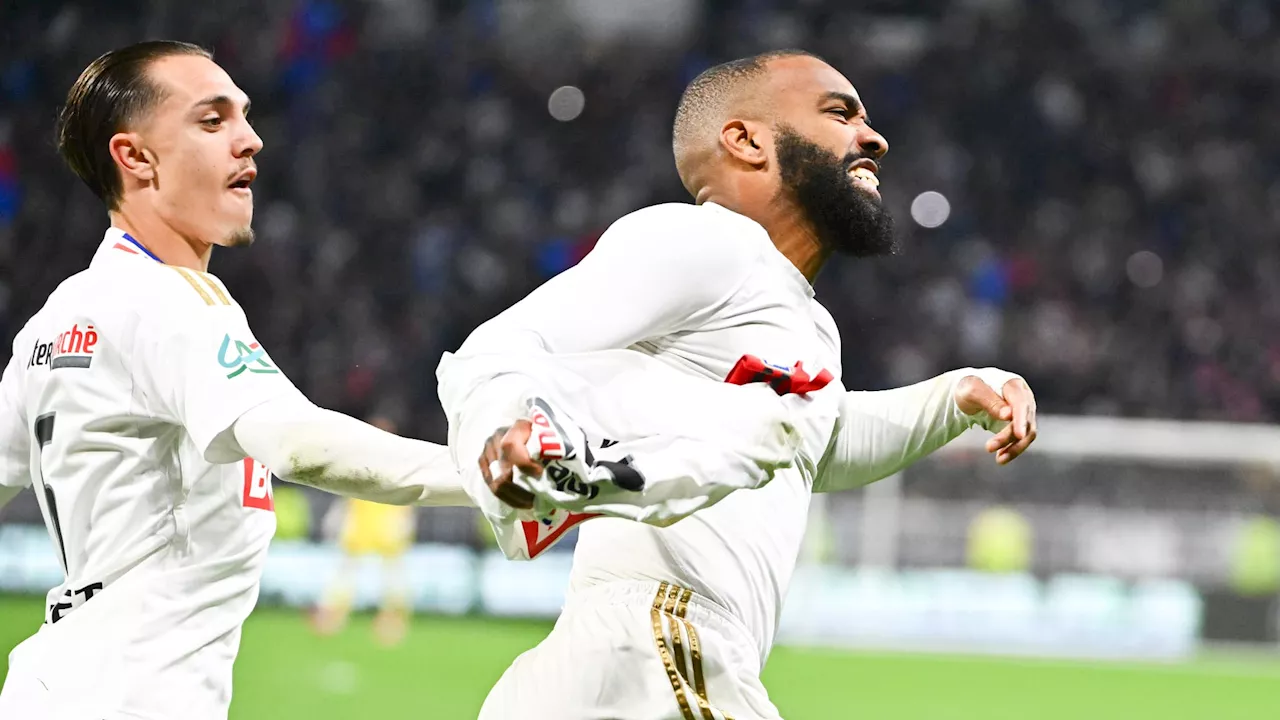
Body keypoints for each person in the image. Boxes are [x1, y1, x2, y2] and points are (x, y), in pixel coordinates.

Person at [437, 49, 1038, 719]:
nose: (874, 136)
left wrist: (953, 398)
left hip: (649, 658)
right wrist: (501, 433)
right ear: (748, 141)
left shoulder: (800, 317)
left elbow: (811, 447)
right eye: (840, 113)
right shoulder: (705, 241)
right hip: (658, 645)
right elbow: (495, 351)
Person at [0, 41, 469, 720]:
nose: (251, 140)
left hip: (50, 687)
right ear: (135, 158)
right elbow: (298, 444)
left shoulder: (56, 320)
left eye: (243, 117)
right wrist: (495, 472)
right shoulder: (172, 304)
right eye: (212, 121)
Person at [312, 416, 418, 647]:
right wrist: (337, 519)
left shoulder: (396, 462)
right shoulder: (362, 460)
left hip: (386, 524)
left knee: (391, 580)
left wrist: (404, 523)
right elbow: (346, 493)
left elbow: (408, 494)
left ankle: (391, 624)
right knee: (347, 576)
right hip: (362, 524)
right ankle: (332, 618)